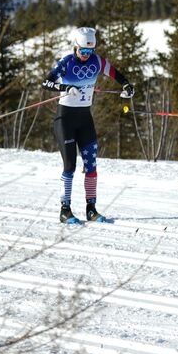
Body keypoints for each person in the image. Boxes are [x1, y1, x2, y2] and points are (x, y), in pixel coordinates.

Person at [41, 26, 135, 224]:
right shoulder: (66, 62)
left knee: (91, 167)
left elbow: (117, 75)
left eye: (89, 51)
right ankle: (65, 210)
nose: (86, 55)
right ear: (75, 47)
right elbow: (46, 83)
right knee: (70, 166)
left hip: (85, 119)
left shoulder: (97, 61)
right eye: (83, 51)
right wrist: (66, 87)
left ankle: (91, 209)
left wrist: (127, 86)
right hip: (65, 119)